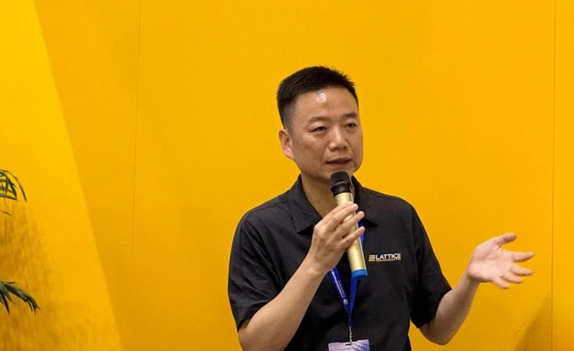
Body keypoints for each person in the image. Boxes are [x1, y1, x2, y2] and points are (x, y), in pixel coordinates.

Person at [228, 66, 534, 351]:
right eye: (320, 129)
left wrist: (469, 281)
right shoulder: (261, 228)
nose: (339, 141)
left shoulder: (397, 216)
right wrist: (315, 265)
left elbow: (438, 330)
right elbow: (257, 345)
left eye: (350, 125)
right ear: (288, 143)